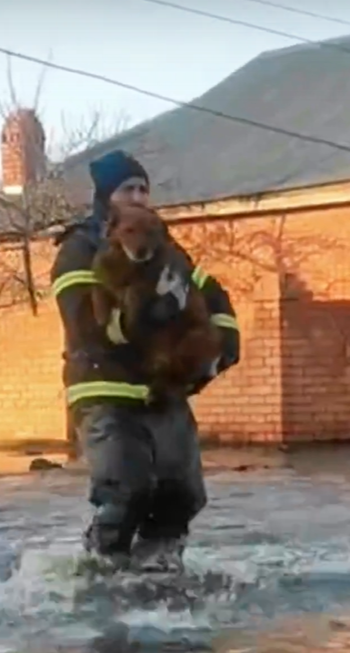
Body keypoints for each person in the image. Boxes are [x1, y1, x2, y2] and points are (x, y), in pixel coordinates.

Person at [50, 150, 241, 572]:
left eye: (143, 189)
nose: (137, 196)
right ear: (106, 198)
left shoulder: (168, 250)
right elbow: (84, 321)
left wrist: (222, 347)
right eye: (126, 189)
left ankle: (158, 576)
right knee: (127, 489)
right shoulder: (79, 248)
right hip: (104, 391)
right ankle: (101, 574)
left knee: (182, 494)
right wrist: (145, 318)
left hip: (163, 391)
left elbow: (211, 295)